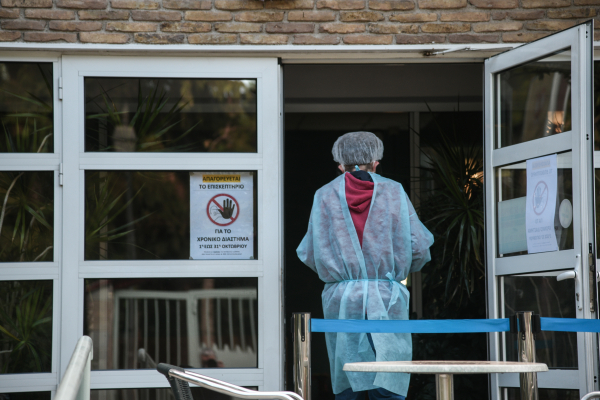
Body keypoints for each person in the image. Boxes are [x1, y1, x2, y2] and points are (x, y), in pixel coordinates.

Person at [296, 131, 434, 400]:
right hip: (387, 300)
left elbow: (310, 253)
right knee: (388, 380)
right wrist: (392, 274)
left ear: (340, 165)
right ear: (376, 162)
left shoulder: (323, 195)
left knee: (349, 382)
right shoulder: (394, 191)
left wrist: (340, 276)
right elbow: (419, 247)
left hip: (342, 301)